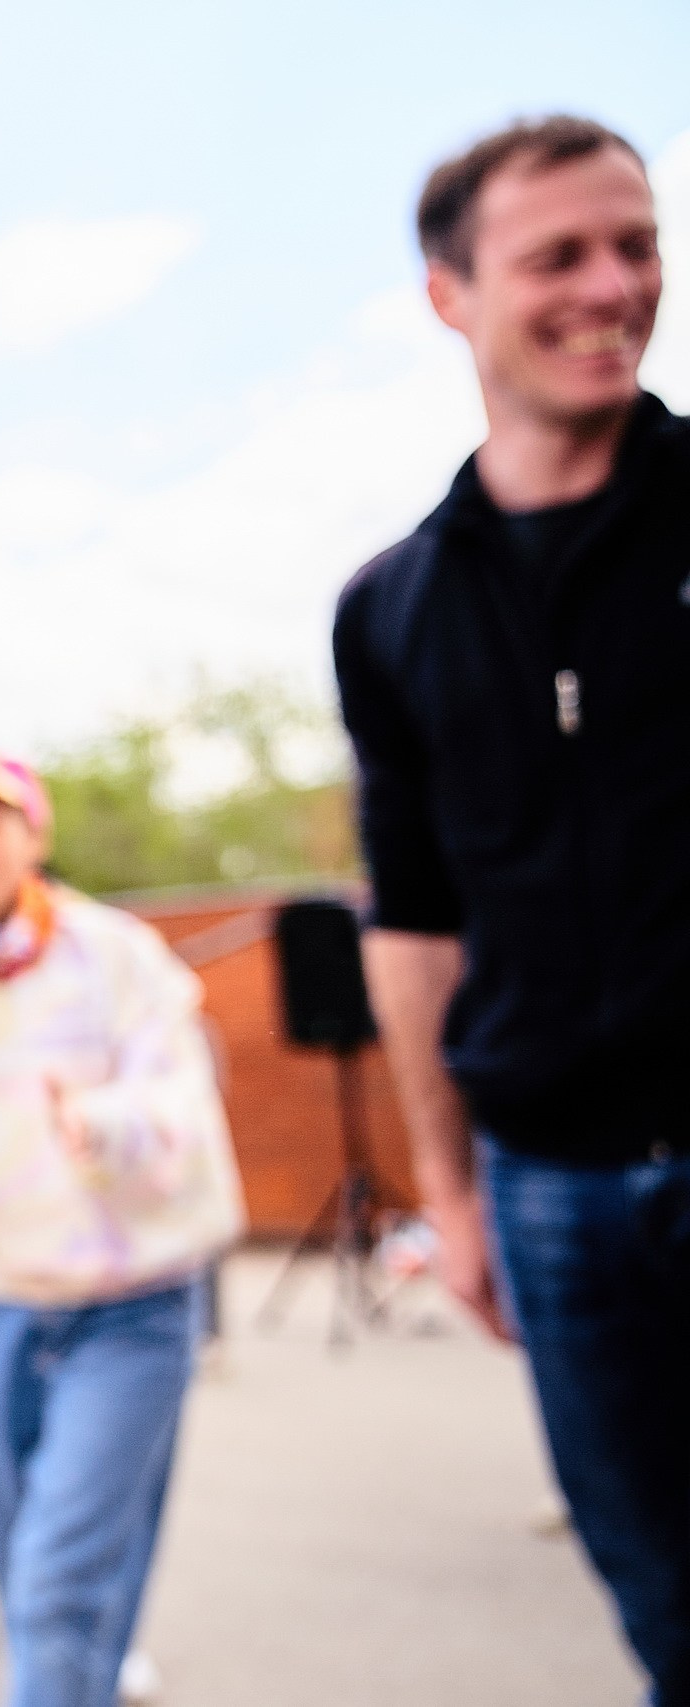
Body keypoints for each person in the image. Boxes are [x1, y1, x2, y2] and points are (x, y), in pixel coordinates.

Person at [333, 114, 688, 1701]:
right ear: (450, 295)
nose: (613, 285)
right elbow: (411, 920)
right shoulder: (393, 605)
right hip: (552, 1183)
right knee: (665, 1596)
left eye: (639, 244)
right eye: (559, 255)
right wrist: (449, 1185)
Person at [0, 745, 244, 1707]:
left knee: (58, 1577)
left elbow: (181, 1095)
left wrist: (103, 1122)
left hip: (132, 1307)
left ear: (32, 832)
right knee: (38, 1555)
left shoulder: (114, 953)